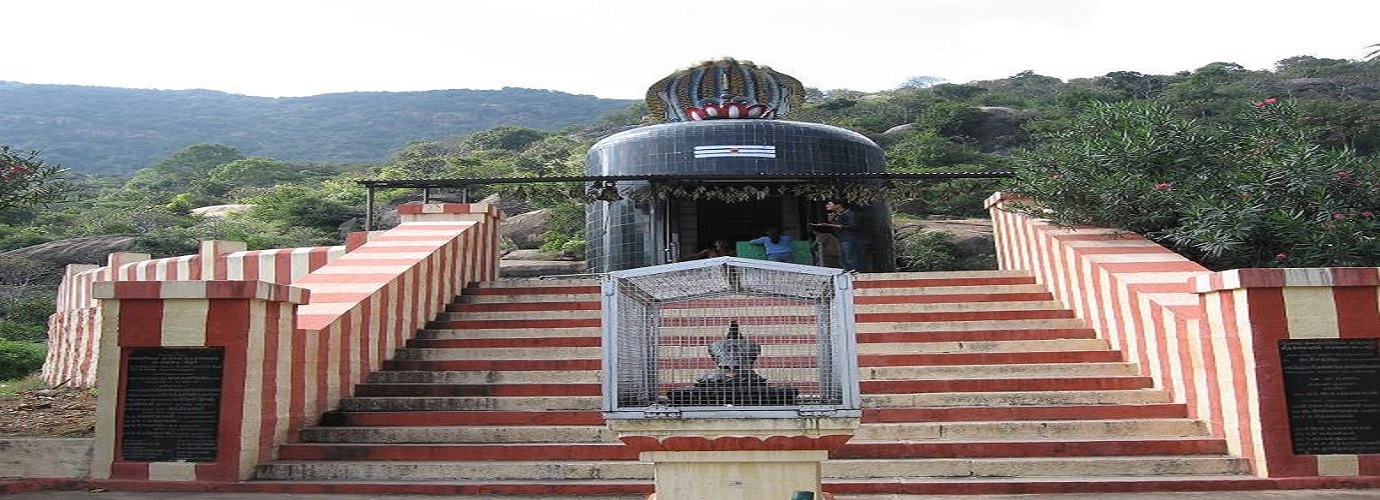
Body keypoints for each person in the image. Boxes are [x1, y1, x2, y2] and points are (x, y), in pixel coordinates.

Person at [810, 198, 869, 272]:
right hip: (842, 239)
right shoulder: (837, 215)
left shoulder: (849, 213)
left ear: (838, 205)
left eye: (829, 204)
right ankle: (849, 272)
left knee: (850, 257)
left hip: (850, 238)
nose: (827, 206)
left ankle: (856, 273)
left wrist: (830, 225)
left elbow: (853, 226)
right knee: (843, 258)